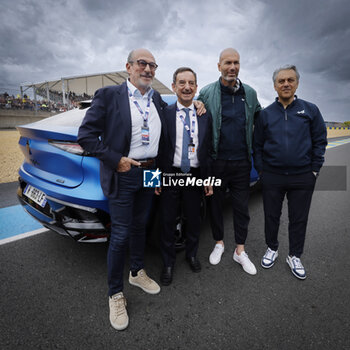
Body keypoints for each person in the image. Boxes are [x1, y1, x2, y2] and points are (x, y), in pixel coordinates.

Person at [78, 48, 166, 331]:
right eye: (143, 63)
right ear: (128, 67)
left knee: (141, 226)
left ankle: (136, 272)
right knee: (120, 235)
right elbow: (86, 136)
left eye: (153, 65)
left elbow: (162, 141)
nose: (149, 69)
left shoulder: (158, 100)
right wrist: (116, 161)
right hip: (124, 173)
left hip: (149, 172)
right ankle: (115, 293)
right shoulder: (108, 96)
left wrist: (156, 179)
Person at [253, 64, 327, 280]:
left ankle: (295, 255)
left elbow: (320, 140)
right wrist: (262, 171)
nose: (286, 84)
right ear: (275, 86)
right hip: (272, 176)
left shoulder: (310, 110)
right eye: (281, 81)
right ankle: (272, 248)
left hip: (303, 176)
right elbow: (257, 146)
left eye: (290, 80)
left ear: (297, 83)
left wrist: (314, 169)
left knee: (299, 218)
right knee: (271, 216)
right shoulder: (265, 114)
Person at [198, 48, 261, 274]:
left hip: (242, 163)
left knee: (241, 208)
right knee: (215, 205)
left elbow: (261, 121)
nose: (232, 67)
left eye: (235, 63)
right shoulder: (206, 92)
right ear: (219, 66)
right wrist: (197, 104)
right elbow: (191, 112)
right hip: (217, 163)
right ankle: (219, 243)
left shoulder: (250, 93)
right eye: (227, 63)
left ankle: (240, 251)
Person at [155, 67, 213, 286]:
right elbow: (157, 149)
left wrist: (208, 178)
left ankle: (191, 255)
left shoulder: (205, 115)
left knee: (194, 219)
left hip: (195, 174)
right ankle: (168, 263)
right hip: (170, 173)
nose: (187, 87)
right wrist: (155, 180)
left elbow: (208, 149)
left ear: (196, 88)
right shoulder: (165, 114)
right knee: (167, 221)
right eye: (182, 83)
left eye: (191, 83)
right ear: (174, 86)